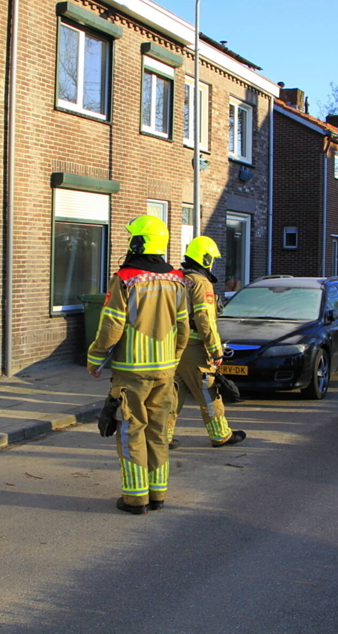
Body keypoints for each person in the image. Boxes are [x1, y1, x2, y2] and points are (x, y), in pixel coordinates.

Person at [87, 216, 189, 515]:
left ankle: (135, 500)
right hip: (165, 370)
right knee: (158, 432)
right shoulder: (177, 279)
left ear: (139, 242)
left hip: (132, 372)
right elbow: (183, 327)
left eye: (132, 237)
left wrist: (95, 359)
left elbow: (111, 326)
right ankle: (158, 496)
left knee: (132, 430)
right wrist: (174, 358)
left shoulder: (125, 278)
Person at [166, 236, 246, 449]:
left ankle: (162, 436)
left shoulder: (177, 278)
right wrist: (215, 349)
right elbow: (204, 318)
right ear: (206, 258)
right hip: (194, 347)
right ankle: (220, 434)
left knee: (173, 392)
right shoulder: (201, 283)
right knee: (208, 389)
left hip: (172, 345)